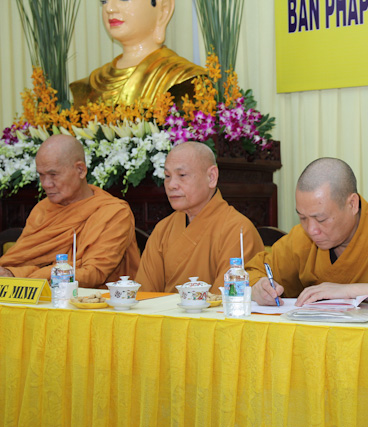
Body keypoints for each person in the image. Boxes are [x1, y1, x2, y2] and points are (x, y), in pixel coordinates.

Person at [247, 157, 368, 306]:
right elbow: (254, 271)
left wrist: (349, 291)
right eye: (302, 218)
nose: (311, 230)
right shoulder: (300, 239)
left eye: (321, 219)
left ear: (352, 204)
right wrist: (259, 288)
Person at [0, 135, 140, 287]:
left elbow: (94, 273)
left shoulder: (114, 212)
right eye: (41, 175)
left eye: (53, 175)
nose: (46, 184)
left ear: (80, 170)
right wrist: (11, 273)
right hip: (40, 296)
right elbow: (21, 260)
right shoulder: (42, 209)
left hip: (95, 299)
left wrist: (24, 277)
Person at [135, 141, 264, 292]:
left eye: (182, 175)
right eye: (167, 176)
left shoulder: (238, 230)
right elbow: (144, 295)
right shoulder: (163, 229)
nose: (171, 185)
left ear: (211, 177)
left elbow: (227, 298)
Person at [70, 0, 206, 107]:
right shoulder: (88, 86)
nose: (109, 8)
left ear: (163, 9)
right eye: (104, 1)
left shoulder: (186, 80)